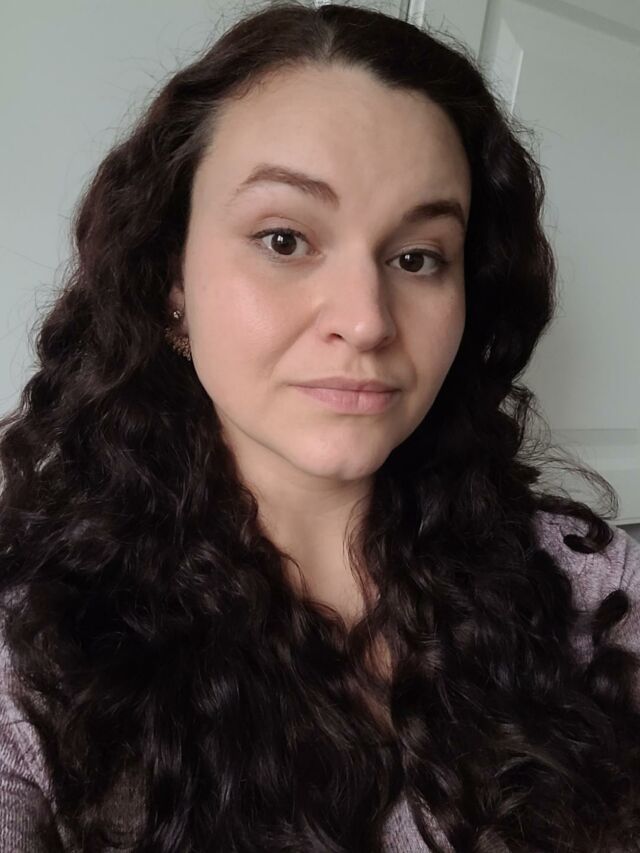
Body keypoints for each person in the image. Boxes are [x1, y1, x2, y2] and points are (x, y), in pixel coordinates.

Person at [1, 2, 638, 851]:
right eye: (284, 238)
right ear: (170, 285)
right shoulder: (32, 649)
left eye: (417, 257)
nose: (367, 319)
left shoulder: (584, 581)